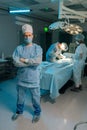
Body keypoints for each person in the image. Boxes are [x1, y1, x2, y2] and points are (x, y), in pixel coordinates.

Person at [11, 24, 43, 123]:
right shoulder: (19, 48)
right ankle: (19, 111)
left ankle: (37, 113)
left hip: (33, 78)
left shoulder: (37, 48)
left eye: (29, 35)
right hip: (22, 78)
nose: (27, 37)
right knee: (20, 97)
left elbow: (38, 61)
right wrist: (30, 63)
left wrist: (24, 60)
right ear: (23, 36)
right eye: (25, 35)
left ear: (32, 36)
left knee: (36, 97)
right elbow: (16, 63)